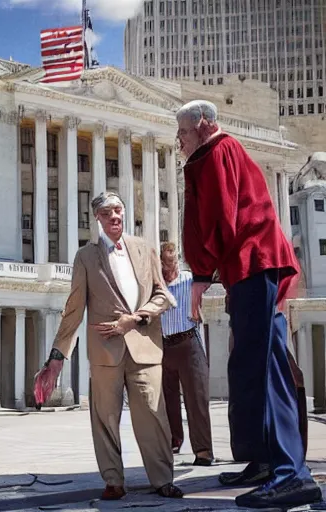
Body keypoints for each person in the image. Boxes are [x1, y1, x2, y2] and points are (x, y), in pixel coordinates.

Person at [177, 99, 322, 509]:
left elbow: (217, 217)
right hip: (254, 266)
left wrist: (201, 275)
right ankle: (263, 460)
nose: (179, 143)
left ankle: (291, 474)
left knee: (264, 368)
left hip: (254, 264)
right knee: (252, 363)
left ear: (203, 126)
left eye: (183, 134)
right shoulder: (224, 152)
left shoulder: (215, 153)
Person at [38, 192, 183, 501]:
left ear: (124, 213)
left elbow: (163, 295)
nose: (114, 216)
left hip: (144, 347)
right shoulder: (86, 257)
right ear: (98, 219)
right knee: (104, 418)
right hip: (105, 352)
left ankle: (163, 480)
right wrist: (56, 357)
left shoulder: (145, 250)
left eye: (118, 210)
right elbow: (74, 308)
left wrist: (134, 319)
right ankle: (114, 481)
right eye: (107, 212)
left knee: (153, 416)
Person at [219, 296, 309, 487]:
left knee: (272, 387)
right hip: (253, 310)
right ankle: (264, 462)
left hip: (267, 311)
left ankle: (280, 465)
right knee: (253, 387)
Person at [159, 242, 213, 466]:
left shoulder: (190, 280)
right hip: (163, 346)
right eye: (166, 263)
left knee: (197, 398)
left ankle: (203, 451)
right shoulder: (156, 284)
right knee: (166, 399)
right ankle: (173, 440)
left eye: (173, 263)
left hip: (188, 341)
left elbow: (210, 277)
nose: (170, 268)